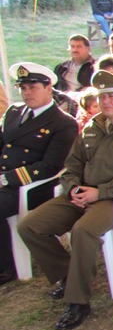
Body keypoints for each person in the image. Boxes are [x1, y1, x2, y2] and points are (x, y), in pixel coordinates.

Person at [17, 71, 113, 330]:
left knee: (83, 231)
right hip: (81, 194)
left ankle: (78, 301)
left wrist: (100, 192)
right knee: (30, 226)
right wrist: (73, 187)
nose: (106, 102)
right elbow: (72, 164)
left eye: (111, 97)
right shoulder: (92, 127)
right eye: (102, 97)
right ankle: (66, 273)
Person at [0, 63, 79, 286]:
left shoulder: (63, 123)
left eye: (33, 87)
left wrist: (7, 179)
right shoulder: (13, 113)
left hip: (34, 187)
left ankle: (6, 267)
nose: (26, 93)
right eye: (22, 88)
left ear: (48, 87)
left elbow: (50, 166)